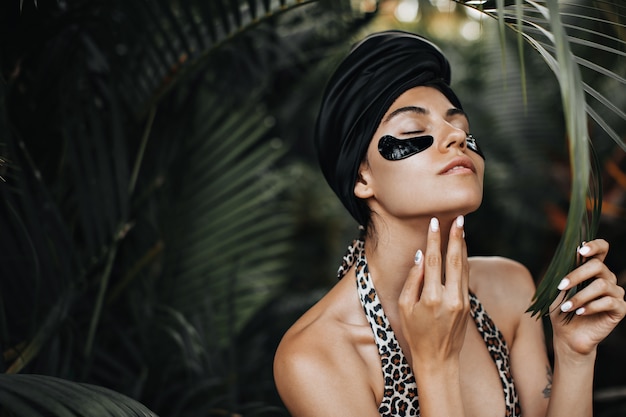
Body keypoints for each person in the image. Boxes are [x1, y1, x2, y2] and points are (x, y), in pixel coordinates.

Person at [273, 30, 626, 417]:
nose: (457, 136)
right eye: (413, 132)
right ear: (361, 179)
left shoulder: (509, 288)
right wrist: (435, 365)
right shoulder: (315, 356)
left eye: (463, 129)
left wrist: (575, 354)